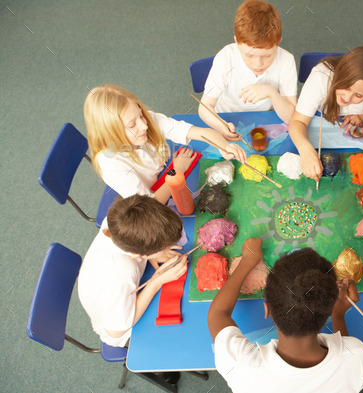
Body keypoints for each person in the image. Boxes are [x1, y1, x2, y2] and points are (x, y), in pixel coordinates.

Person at [208, 243, 363, 393]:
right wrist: (338, 315)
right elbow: (346, 352)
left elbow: (217, 314)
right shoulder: (359, 359)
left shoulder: (242, 368)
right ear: (328, 308)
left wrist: (248, 259)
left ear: (267, 310)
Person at [85, 84, 246, 204]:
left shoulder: (145, 120)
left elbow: (198, 132)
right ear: (111, 133)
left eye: (141, 115)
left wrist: (225, 146)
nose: (144, 125)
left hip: (162, 173)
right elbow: (151, 205)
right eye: (132, 125)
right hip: (148, 199)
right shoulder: (111, 164)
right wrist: (177, 171)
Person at [78, 194, 188, 348]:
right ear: (138, 254)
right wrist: (156, 282)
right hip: (123, 330)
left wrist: (154, 252)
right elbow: (115, 331)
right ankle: (158, 372)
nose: (166, 248)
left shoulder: (117, 221)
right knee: (178, 341)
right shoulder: (121, 274)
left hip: (123, 292)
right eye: (162, 247)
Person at [289, 46, 363, 180]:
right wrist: (306, 151)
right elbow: (298, 121)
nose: (347, 98)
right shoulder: (321, 78)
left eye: (359, 95)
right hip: (319, 116)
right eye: (346, 86)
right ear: (340, 74)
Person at [199, 0, 297, 138]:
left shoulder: (286, 60)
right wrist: (220, 126)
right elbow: (205, 106)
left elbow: (292, 116)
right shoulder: (226, 58)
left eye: (267, 55)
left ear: (278, 41)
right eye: (249, 55)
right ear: (237, 42)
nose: (258, 64)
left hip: (265, 118)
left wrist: (272, 93)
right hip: (226, 117)